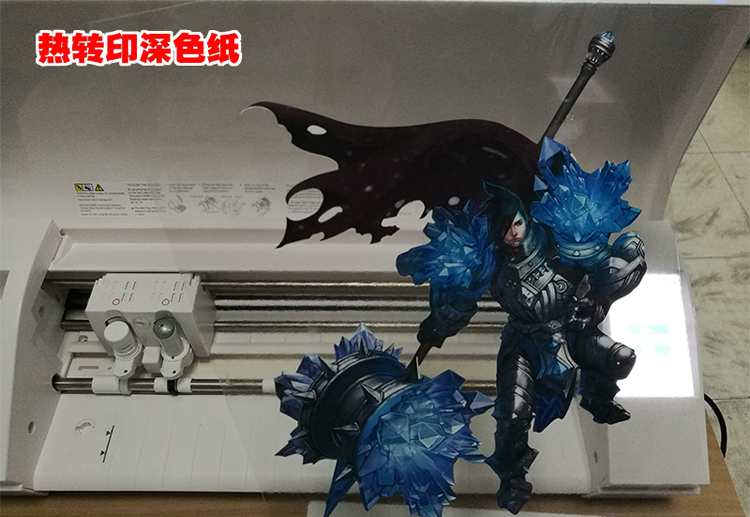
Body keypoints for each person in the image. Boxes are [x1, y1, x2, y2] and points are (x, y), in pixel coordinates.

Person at [397, 138, 646, 514]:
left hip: (569, 329)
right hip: (522, 344)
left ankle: (597, 396)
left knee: (621, 359)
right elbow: (459, 301)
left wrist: (597, 303)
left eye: (517, 223)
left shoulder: (562, 243)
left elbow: (620, 261)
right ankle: (512, 474)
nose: (513, 233)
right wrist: (436, 328)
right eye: (505, 227)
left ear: (527, 219)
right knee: (513, 415)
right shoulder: (491, 262)